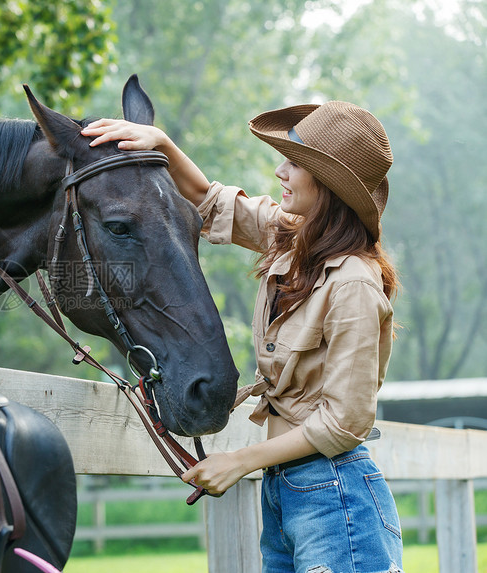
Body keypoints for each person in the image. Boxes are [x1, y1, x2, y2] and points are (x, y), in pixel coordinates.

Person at [81, 101, 404, 573]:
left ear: (328, 184)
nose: (280, 171)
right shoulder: (295, 241)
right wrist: (162, 144)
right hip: (287, 492)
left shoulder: (353, 282)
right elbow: (212, 203)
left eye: (294, 164)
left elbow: (344, 422)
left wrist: (240, 461)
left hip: (335, 498)